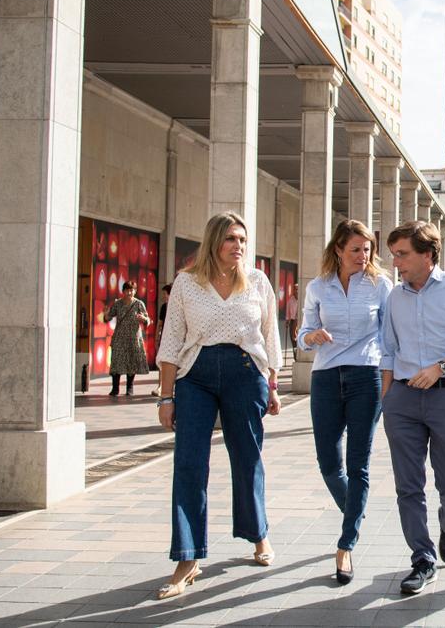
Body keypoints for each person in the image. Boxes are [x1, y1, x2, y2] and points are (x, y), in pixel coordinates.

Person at [154, 211, 281, 599]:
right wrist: (166, 395)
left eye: (242, 240)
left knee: (247, 459)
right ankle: (188, 558)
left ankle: (258, 535)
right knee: (189, 464)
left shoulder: (257, 281)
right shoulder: (187, 284)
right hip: (197, 376)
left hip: (246, 375)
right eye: (230, 239)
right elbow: (172, 341)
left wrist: (272, 385)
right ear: (213, 242)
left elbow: (270, 335)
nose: (238, 246)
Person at [380, 221, 445, 595]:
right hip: (403, 400)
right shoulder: (394, 297)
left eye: (403, 254)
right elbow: (388, 350)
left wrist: (439, 368)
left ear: (427, 254)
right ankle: (422, 559)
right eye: (393, 254)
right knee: (408, 486)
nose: (396, 262)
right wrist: (387, 397)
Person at [297, 220, 392, 585]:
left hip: (365, 377)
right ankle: (355, 511)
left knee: (358, 465)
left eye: (367, 249)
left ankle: (346, 543)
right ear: (338, 249)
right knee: (327, 462)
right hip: (325, 377)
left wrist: (387, 376)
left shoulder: (380, 285)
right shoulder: (318, 287)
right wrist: (312, 336)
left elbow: (389, 335)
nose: (363, 256)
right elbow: (303, 334)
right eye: (355, 249)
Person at [103, 280, 151, 397]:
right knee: (116, 361)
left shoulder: (139, 304)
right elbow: (108, 317)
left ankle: (130, 388)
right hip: (119, 337)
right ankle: (115, 388)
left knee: (131, 362)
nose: (129, 292)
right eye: (127, 290)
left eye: (132, 290)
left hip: (133, 337)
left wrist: (143, 319)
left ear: (135, 291)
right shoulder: (118, 303)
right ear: (123, 291)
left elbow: (147, 320)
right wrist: (106, 314)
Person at [151, 283, 173, 397]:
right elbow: (159, 324)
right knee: (162, 362)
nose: (164, 296)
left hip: (175, 339)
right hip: (165, 338)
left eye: (165, 294)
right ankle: (160, 386)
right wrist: (156, 339)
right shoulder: (164, 307)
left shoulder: (178, 306)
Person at [286, 284, 299, 348]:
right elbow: (288, 312)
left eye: (298, 289)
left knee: (298, 339)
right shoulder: (290, 300)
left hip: (300, 321)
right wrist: (287, 321)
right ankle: (295, 354)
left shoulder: (302, 300)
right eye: (295, 289)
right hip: (292, 321)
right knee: (293, 339)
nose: (297, 291)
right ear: (293, 291)